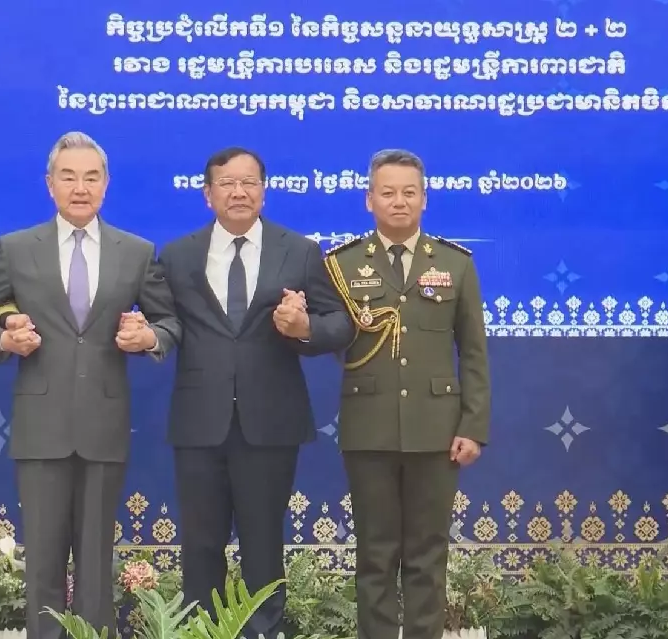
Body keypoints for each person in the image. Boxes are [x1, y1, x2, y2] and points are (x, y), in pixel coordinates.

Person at [0, 132, 180, 639]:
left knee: (96, 561)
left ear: (105, 184)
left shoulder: (136, 251)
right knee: (42, 559)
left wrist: (148, 337)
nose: (80, 188)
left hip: (104, 424)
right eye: (69, 177)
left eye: (91, 177)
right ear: (50, 184)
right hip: (40, 425)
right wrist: (4, 339)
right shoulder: (17, 249)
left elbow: (170, 322)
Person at [156, 147, 354, 638]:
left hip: (270, 422)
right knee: (201, 545)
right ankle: (202, 631)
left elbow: (340, 323)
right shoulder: (178, 255)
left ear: (263, 191)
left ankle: (263, 631)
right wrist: (146, 335)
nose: (239, 192)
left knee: (263, 544)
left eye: (249, 183)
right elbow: (164, 322)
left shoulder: (299, 250)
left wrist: (304, 327)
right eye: (227, 183)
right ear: (208, 194)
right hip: (199, 421)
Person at [324, 149, 491, 639]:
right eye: (388, 192)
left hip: (436, 432)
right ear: (369, 200)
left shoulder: (456, 264)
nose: (399, 201)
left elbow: (474, 352)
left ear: (424, 199)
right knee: (375, 554)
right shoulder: (342, 264)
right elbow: (328, 336)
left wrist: (473, 426)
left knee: (427, 554)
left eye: (409, 192)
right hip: (369, 429)